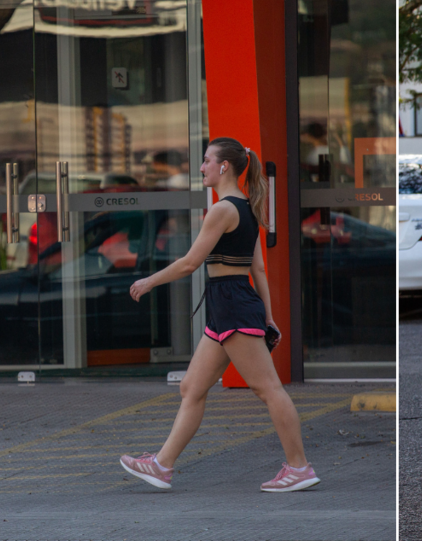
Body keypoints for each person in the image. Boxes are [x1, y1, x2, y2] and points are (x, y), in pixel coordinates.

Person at [119, 137, 318, 493]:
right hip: (231, 304)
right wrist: (268, 317)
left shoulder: (223, 209)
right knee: (191, 387)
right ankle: (162, 465)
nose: (202, 167)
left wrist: (150, 280)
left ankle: (299, 467)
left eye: (207, 160)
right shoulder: (247, 206)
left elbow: (191, 262)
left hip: (232, 305)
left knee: (268, 389)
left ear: (223, 166)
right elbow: (258, 269)